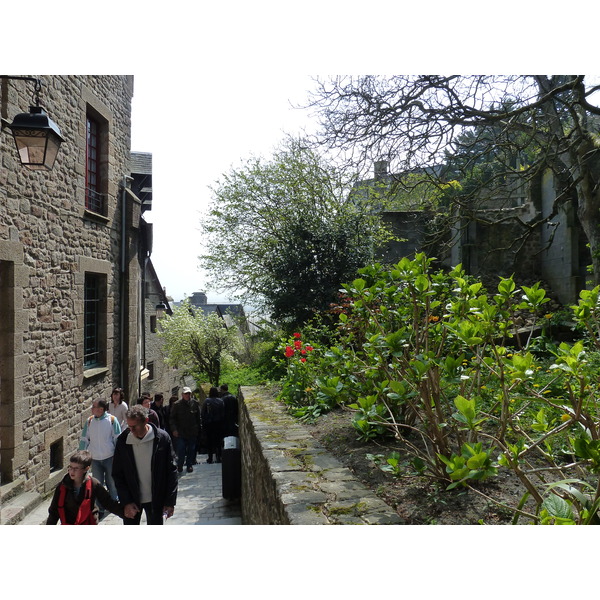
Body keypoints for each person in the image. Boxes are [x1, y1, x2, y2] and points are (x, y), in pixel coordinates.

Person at [111, 404, 178, 525]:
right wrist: (126, 502)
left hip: (156, 499)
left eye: (134, 427)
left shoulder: (162, 439)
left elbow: (171, 471)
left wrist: (170, 501)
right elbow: (118, 474)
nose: (131, 430)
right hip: (132, 500)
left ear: (146, 421)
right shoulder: (123, 442)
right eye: (129, 426)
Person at [46, 450, 123, 525]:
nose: (72, 471)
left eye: (76, 468)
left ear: (86, 469)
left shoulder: (93, 484)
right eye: (70, 467)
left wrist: (126, 513)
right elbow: (54, 512)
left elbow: (108, 503)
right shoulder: (62, 486)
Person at [79, 398, 121, 518]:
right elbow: (84, 439)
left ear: (101, 409)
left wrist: (118, 457)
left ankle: (113, 504)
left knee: (111, 483)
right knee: (97, 485)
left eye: (93, 407)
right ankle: (100, 508)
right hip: (95, 458)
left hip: (109, 457)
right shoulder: (89, 421)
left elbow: (117, 439)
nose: (91, 409)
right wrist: (81, 455)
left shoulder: (112, 420)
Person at [170, 387, 201, 472]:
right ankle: (180, 464)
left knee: (191, 449)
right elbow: (172, 418)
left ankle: (189, 465)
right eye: (186, 393)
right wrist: (174, 429)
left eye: (189, 393)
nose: (187, 395)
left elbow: (198, 417)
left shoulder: (194, 403)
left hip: (192, 431)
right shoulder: (177, 405)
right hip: (181, 432)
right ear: (182, 394)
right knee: (181, 449)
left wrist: (199, 429)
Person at [201, 387, 225, 464]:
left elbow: (203, 413)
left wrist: (204, 422)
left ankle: (210, 458)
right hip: (219, 424)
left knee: (210, 442)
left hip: (209, 424)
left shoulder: (207, 401)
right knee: (218, 441)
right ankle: (219, 457)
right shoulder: (221, 401)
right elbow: (223, 413)